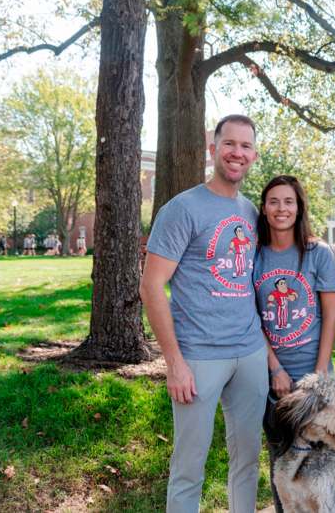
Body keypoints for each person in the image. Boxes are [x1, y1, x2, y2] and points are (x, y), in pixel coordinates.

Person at [139, 114, 267, 513]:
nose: (237, 153)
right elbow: (151, 286)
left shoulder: (251, 212)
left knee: (247, 463)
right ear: (213, 149)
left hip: (249, 353)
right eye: (230, 144)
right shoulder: (183, 208)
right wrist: (174, 362)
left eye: (246, 146)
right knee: (188, 467)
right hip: (198, 357)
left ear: (254, 155)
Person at [253, 175, 335, 513]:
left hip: (315, 373)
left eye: (289, 201)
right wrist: (274, 367)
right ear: (264, 208)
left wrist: (319, 374)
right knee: (284, 467)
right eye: (274, 201)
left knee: (323, 468)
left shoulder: (317, 253)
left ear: (299, 207)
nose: (281, 208)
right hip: (272, 378)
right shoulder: (256, 256)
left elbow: (330, 316)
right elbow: (252, 317)